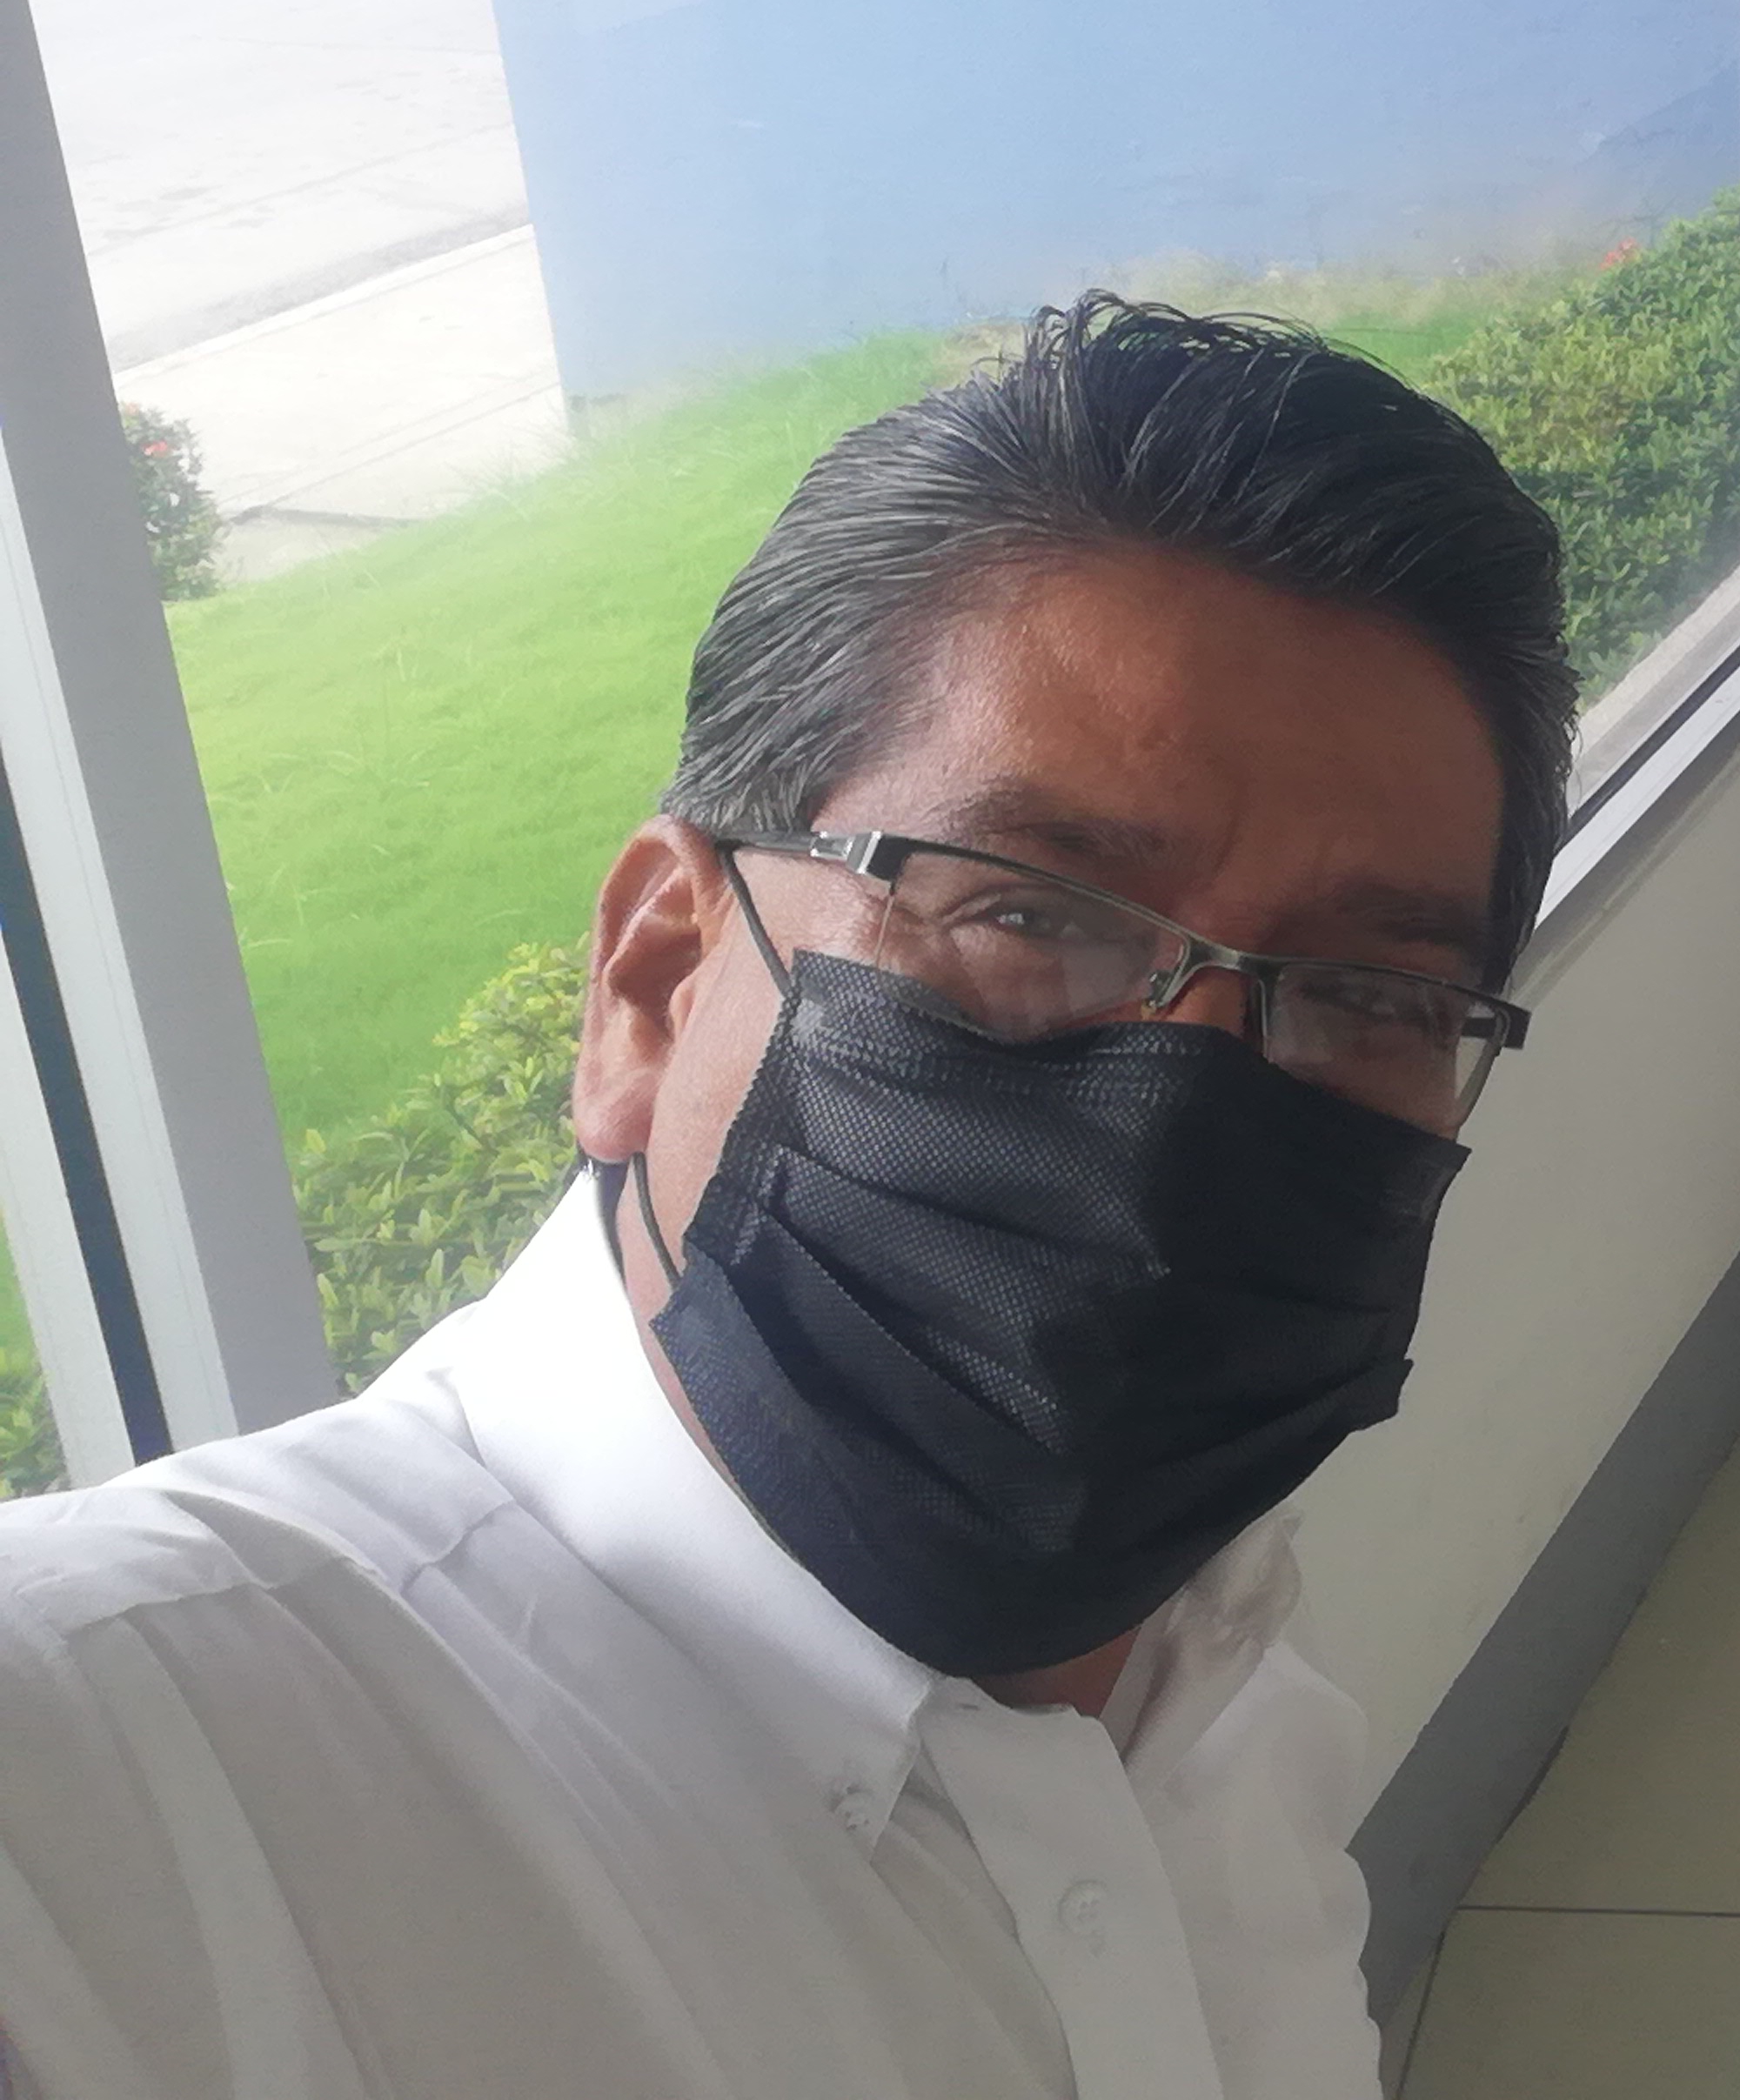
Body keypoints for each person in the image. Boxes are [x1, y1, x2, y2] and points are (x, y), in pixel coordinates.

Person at [0, 298, 1576, 2100]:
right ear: (654, 982)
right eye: (1025, 912)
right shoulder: (113, 1780)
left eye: (1373, 996)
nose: (1180, 1115)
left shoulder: (1230, 1708)